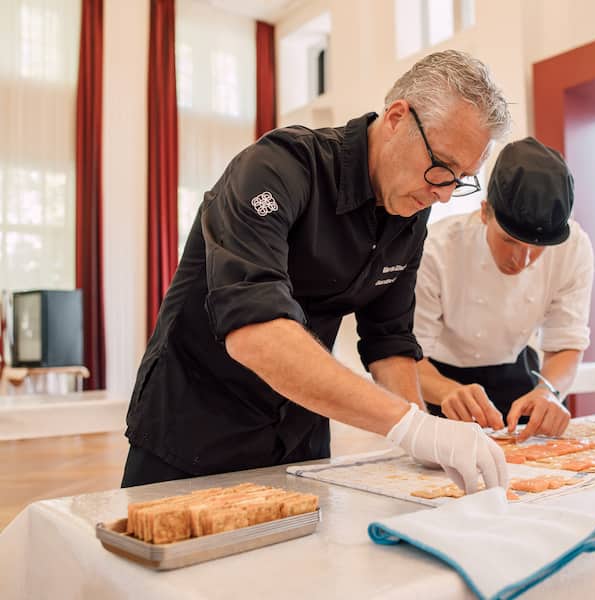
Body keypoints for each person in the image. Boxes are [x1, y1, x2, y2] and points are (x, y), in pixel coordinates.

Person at [122, 50, 511, 494]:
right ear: (397, 118)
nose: (443, 195)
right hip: (194, 427)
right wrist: (409, 425)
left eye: (461, 179)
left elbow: (389, 344)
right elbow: (256, 333)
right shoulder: (277, 169)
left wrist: (426, 438)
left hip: (298, 435)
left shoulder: (410, 209)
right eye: (441, 167)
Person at [414, 137, 594, 441]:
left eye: (537, 247)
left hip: (518, 372)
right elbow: (408, 358)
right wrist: (448, 392)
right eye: (509, 240)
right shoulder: (436, 251)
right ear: (485, 213)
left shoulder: (573, 247)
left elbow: (566, 341)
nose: (521, 260)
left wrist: (548, 392)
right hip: (439, 378)